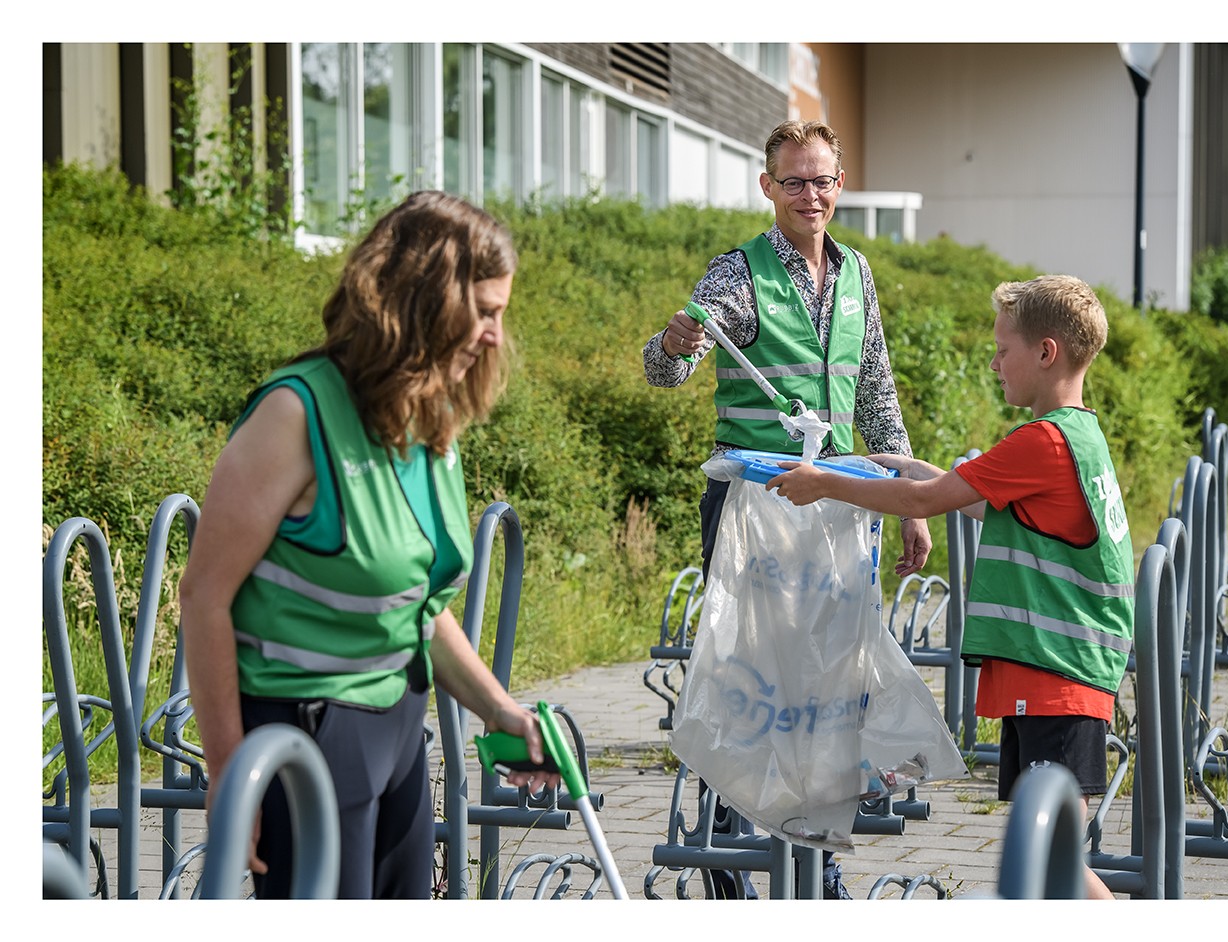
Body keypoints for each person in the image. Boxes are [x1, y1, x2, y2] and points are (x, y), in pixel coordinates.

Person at [180, 191, 559, 899]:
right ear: (425, 302)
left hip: (396, 730)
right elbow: (203, 597)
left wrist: (499, 709)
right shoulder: (295, 413)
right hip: (302, 736)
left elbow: (419, 605)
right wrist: (230, 772)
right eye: (483, 311)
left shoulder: (429, 418)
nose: (494, 336)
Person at [768, 274, 1134, 900]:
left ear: (1046, 353)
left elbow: (929, 500)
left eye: (1002, 349)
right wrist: (910, 468)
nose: (994, 363)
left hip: (1055, 678)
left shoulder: (1042, 441)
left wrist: (823, 483)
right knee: (1049, 857)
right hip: (1062, 675)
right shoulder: (1079, 436)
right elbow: (972, 499)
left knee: (1049, 852)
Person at [642, 118, 933, 900]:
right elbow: (667, 369)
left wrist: (909, 499)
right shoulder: (737, 274)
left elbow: (877, 391)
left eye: (824, 180)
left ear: (841, 185)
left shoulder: (857, 274)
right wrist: (673, 345)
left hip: (841, 506)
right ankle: (726, 860)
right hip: (755, 511)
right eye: (795, 181)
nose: (812, 195)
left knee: (830, 690)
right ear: (768, 187)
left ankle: (817, 865)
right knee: (749, 685)